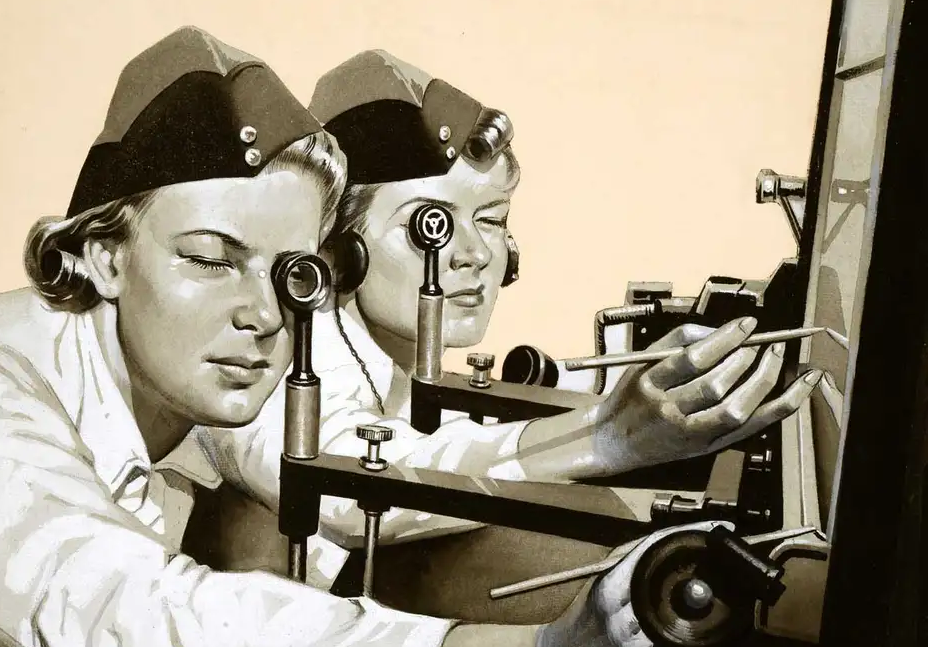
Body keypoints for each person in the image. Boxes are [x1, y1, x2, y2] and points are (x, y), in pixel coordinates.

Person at [0, 28, 711, 647]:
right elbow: (142, 617)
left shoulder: (198, 355)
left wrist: (608, 440)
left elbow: (342, 474)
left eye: (287, 274)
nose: (261, 314)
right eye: (211, 260)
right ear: (101, 253)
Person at [198, 50, 822, 581]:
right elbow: (350, 487)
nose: (472, 255)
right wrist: (606, 436)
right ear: (337, 247)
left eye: (492, 220)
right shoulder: (267, 357)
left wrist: (650, 389)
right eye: (428, 227)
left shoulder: (380, 350)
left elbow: (451, 435)